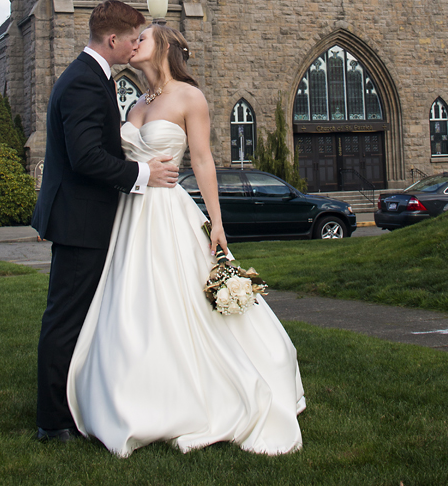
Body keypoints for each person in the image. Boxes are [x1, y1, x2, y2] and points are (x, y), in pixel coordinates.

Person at [67, 23, 305, 456]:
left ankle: (196, 394)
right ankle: (131, 391)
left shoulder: (189, 97)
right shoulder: (137, 102)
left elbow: (202, 160)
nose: (135, 42)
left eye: (144, 37)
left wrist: (216, 221)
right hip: (130, 216)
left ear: (166, 48)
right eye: (133, 37)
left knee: (176, 298)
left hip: (168, 212)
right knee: (131, 302)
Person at [32, 0, 179, 442]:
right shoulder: (82, 82)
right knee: (66, 318)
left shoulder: (92, 76)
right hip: (79, 220)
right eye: (134, 38)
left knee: (81, 316)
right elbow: (85, 157)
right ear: (112, 40)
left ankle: (73, 404)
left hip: (86, 217)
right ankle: (54, 421)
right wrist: (143, 173)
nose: (137, 45)